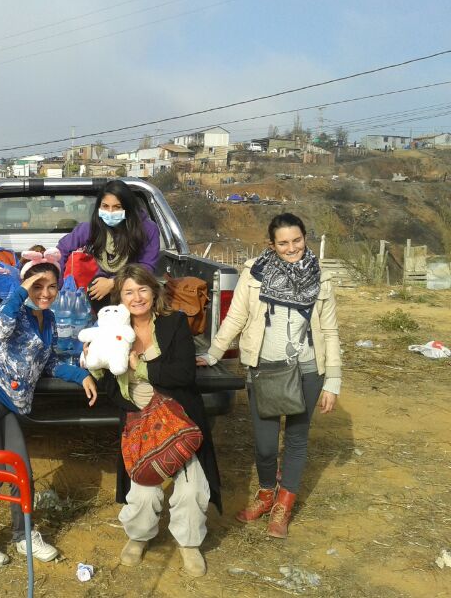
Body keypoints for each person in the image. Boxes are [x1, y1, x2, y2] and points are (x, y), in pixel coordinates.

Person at [0, 247, 98, 566]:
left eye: (52, 286)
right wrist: (21, 290)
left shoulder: (51, 319)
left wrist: (81, 375)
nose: (45, 293)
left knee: (21, 470)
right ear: (25, 285)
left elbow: (49, 362)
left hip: (7, 406)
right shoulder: (13, 310)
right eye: (37, 285)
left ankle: (23, 535)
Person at [196, 213, 341, 539]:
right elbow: (236, 318)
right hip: (264, 368)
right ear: (271, 245)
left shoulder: (322, 278)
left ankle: (283, 506)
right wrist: (213, 352)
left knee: (297, 439)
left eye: (297, 241)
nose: (292, 248)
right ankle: (265, 494)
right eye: (284, 243)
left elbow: (330, 332)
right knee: (264, 445)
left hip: (307, 370)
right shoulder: (254, 274)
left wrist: (333, 381)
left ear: (305, 237)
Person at [88, 264, 220, 577]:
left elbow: (184, 374)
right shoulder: (112, 330)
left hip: (177, 414)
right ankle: (139, 536)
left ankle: (189, 543)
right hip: (138, 417)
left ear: (153, 290)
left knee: (192, 488)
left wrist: (142, 368)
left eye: (142, 289)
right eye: (129, 292)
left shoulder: (174, 323)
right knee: (143, 488)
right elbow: (106, 378)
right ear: (120, 298)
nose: (137, 297)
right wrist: (89, 373)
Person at [57, 179, 160, 310]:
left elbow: (147, 267)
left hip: (136, 283)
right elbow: (61, 250)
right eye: (105, 206)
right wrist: (56, 285)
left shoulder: (147, 228)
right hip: (103, 282)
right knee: (95, 291)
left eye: (117, 207)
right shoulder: (91, 228)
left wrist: (114, 283)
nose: (110, 212)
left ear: (127, 208)